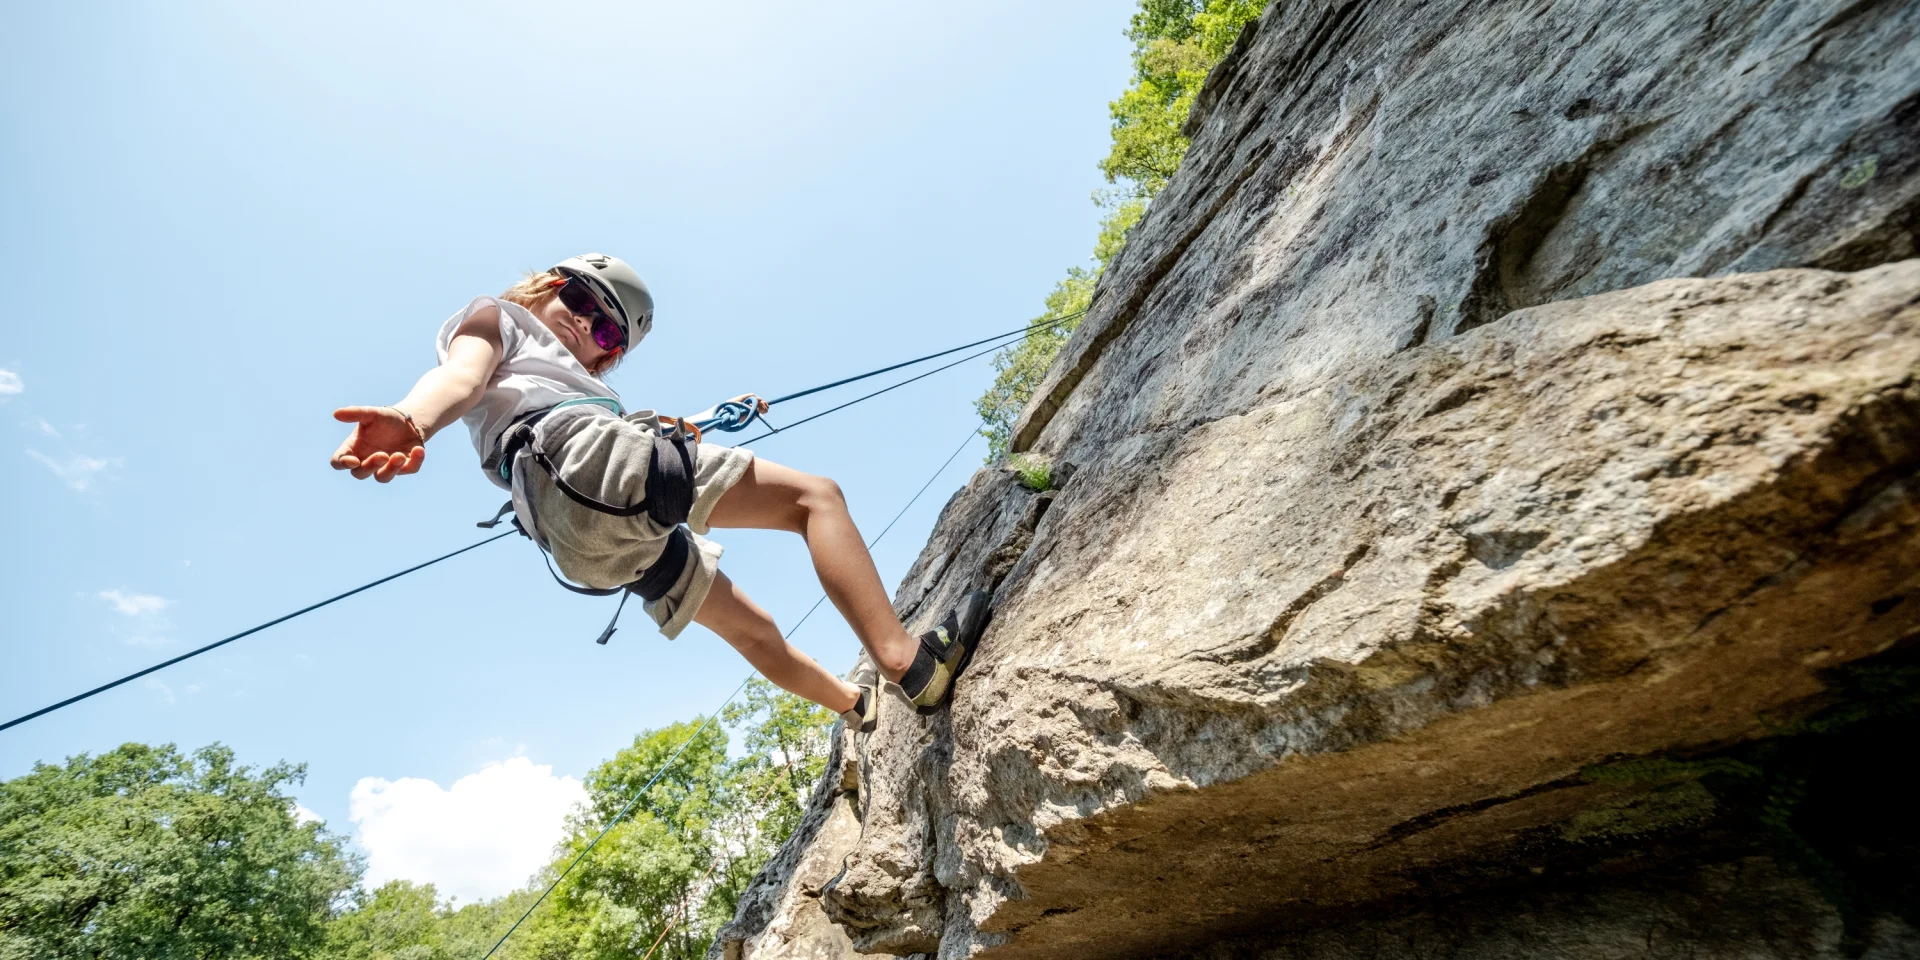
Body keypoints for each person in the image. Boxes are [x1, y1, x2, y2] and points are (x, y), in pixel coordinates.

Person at [328, 253, 988, 729]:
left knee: (752, 628)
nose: (588, 326)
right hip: (581, 458)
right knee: (816, 499)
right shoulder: (499, 317)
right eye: (582, 302)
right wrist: (413, 419)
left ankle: (855, 705)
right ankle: (908, 666)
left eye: (607, 332)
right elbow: (463, 379)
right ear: (546, 287)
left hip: (579, 537)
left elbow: (642, 447)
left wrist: (713, 418)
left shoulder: (586, 388)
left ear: (607, 358)